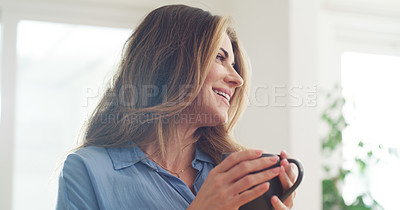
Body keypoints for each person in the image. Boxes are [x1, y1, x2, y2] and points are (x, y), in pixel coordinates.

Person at [56, 4, 297, 210]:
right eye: (220, 58)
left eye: (233, 64)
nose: (238, 80)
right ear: (172, 63)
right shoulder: (87, 171)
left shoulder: (233, 171)